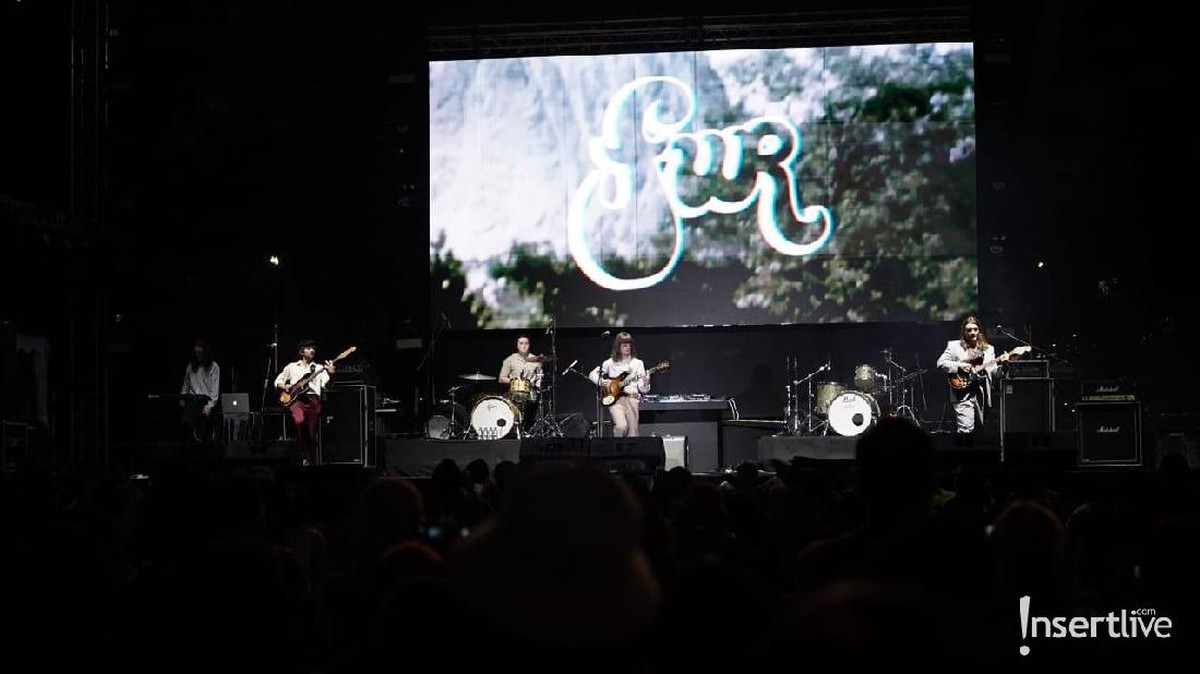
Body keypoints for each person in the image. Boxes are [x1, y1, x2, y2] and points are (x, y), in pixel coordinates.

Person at [936, 316, 1011, 435]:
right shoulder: (954, 346)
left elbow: (994, 373)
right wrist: (959, 366)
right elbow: (940, 363)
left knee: (980, 432)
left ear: (979, 331)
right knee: (966, 429)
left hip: (982, 394)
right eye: (969, 330)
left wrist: (1005, 365)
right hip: (963, 392)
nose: (972, 333)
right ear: (963, 332)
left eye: (975, 329)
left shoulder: (988, 349)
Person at [274, 339, 336, 466]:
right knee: (300, 420)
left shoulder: (319, 368)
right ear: (302, 351)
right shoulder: (291, 367)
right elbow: (278, 381)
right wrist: (284, 386)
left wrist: (332, 375)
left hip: (313, 401)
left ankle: (309, 460)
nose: (312, 350)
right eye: (309, 348)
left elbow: (327, 386)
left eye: (313, 348)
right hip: (296, 401)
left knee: (311, 434)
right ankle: (304, 457)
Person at [589, 331, 651, 437]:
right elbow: (592, 374)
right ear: (618, 347)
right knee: (621, 426)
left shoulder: (638, 363)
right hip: (616, 401)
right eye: (625, 345)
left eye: (630, 345)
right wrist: (601, 382)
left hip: (632, 399)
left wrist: (646, 382)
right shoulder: (609, 363)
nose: (628, 347)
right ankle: (617, 446)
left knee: (633, 433)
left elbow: (643, 389)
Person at [497, 334, 544, 433]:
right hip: (514, 392)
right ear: (517, 346)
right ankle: (514, 429)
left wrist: (537, 382)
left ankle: (529, 430)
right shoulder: (510, 360)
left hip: (530, 392)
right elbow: (501, 378)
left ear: (529, 345)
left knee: (534, 402)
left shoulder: (536, 360)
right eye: (521, 343)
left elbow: (539, 376)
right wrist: (513, 381)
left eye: (526, 343)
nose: (524, 346)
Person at [180, 339, 221, 444]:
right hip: (192, 400)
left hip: (205, 400)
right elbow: (186, 384)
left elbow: (214, 390)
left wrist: (209, 406)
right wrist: (182, 397)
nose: (197, 355)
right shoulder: (191, 366)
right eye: (195, 353)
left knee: (203, 431)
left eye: (200, 353)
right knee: (186, 426)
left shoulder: (214, 367)